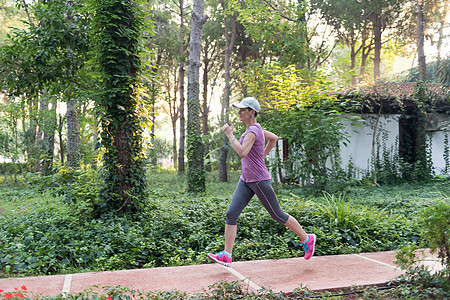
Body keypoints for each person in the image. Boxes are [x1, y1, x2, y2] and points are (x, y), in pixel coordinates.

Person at [207, 97, 316, 267]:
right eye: (239, 109)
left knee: (277, 214)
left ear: (252, 112)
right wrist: (261, 156)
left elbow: (242, 152)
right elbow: (274, 138)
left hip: (258, 180)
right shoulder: (256, 129)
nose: (239, 113)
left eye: (243, 110)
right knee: (231, 214)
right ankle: (227, 255)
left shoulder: (252, 131)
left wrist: (230, 135)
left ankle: (307, 238)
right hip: (246, 180)